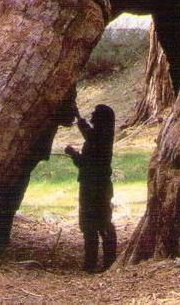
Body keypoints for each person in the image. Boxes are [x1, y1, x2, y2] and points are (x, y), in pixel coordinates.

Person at [65, 103, 118, 272]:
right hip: (100, 187)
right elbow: (88, 134)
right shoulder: (103, 135)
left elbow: (85, 163)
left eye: (95, 113)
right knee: (102, 223)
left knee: (91, 225)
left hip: (92, 187)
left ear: (101, 118)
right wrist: (79, 117)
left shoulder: (98, 138)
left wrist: (73, 154)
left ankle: (92, 264)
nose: (92, 115)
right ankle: (107, 262)